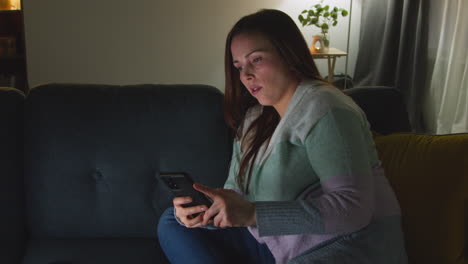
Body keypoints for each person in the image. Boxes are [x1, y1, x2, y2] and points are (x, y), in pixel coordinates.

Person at [157, 9, 408, 264]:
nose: (245, 76)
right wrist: (209, 209)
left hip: (342, 246)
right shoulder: (254, 119)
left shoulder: (325, 107)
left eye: (256, 60)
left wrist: (253, 214)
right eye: (239, 66)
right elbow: (236, 193)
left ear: (288, 54)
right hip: (276, 245)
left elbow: (353, 209)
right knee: (172, 222)